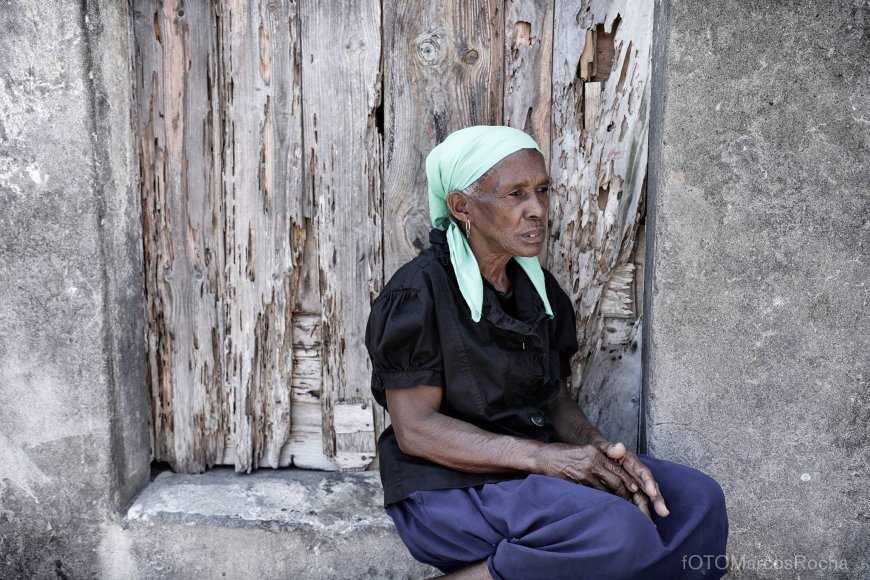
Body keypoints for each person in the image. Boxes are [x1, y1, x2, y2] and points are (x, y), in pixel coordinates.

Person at [364, 125, 728, 579]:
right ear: (462, 207)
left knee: (696, 502)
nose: (537, 210)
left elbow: (553, 399)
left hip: (531, 475)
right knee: (617, 529)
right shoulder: (419, 293)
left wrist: (595, 445)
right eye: (515, 194)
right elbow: (417, 431)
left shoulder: (537, 290)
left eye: (541, 190)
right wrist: (544, 459)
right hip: (448, 489)